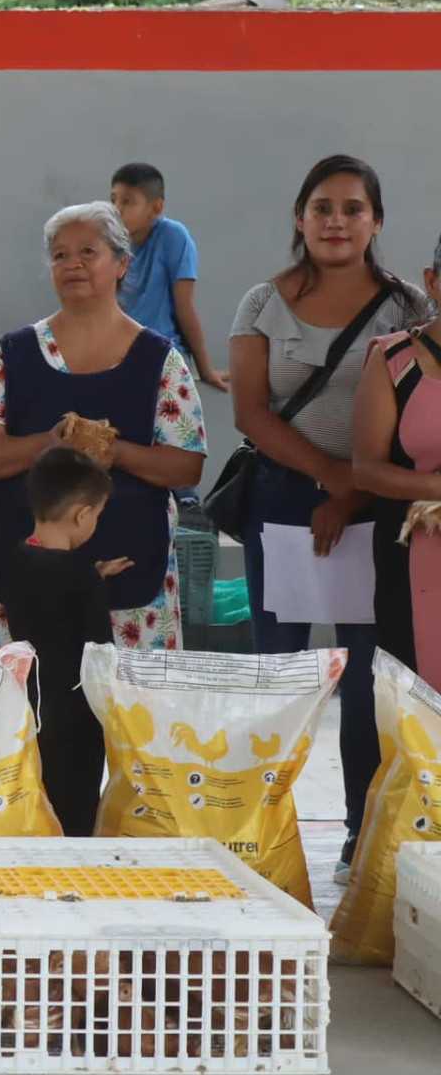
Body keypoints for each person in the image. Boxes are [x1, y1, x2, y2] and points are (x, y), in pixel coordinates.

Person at [227, 154, 428, 884]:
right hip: (283, 506)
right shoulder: (260, 303)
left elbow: (416, 404)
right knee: (276, 676)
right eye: (322, 208)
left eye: (352, 209)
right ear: (299, 217)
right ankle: (259, 832)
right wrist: (330, 479)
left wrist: (354, 493)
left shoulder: (409, 309)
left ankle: (360, 832)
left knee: (371, 679)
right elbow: (249, 410)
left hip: (379, 511)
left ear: (375, 221)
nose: (336, 221)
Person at [0, 203, 206, 713]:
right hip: (24, 571)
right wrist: (50, 445)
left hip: (131, 571)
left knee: (133, 730)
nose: (71, 264)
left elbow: (185, 464)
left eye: (87, 252)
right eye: (59, 255)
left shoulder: (160, 359)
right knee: (19, 726)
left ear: (122, 263)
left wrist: (112, 451)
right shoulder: (16, 354)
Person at [0, 447, 128, 837]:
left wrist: (90, 577)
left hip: (30, 706)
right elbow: (99, 652)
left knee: (39, 797)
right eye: (98, 516)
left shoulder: (14, 561)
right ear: (82, 514)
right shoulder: (80, 576)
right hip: (77, 716)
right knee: (75, 807)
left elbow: (46, 592)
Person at [353, 234, 441, 688]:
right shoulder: (394, 359)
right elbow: (366, 468)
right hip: (412, 557)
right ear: (433, 281)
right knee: (418, 708)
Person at [110, 162, 229, 392]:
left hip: (164, 354)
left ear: (155, 209)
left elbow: (184, 307)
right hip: (117, 353)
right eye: (113, 199)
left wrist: (205, 370)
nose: (117, 209)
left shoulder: (173, 237)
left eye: (128, 201)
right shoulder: (109, 242)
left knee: (164, 422)